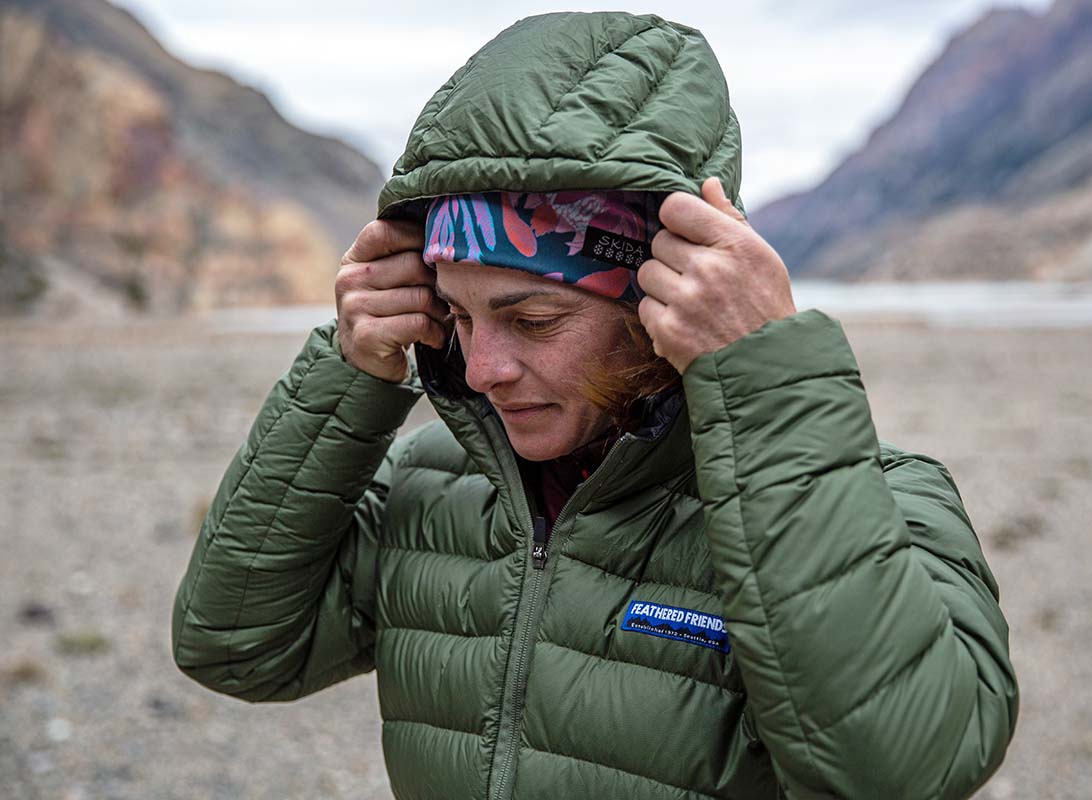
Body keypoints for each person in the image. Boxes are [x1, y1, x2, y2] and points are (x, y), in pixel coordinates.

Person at [171, 10, 1018, 799]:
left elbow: (904, 771)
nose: (483, 368)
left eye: (534, 319)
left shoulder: (878, 506)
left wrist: (765, 378)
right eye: (457, 316)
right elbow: (235, 648)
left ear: (666, 301)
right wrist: (350, 376)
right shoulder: (430, 483)